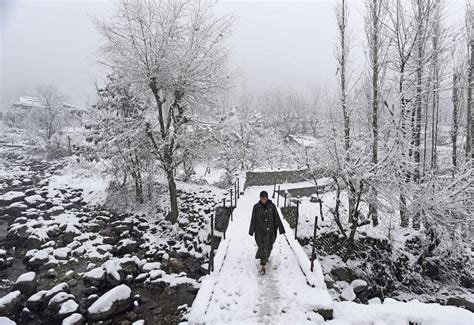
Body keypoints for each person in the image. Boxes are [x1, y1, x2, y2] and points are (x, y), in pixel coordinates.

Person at [248, 190, 286, 275]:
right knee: (262, 247)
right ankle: (263, 266)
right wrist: (251, 230)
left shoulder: (272, 206)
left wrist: (280, 228)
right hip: (259, 230)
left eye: (265, 198)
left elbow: (276, 217)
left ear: (267, 198)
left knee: (268, 247)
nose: (263, 200)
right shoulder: (256, 207)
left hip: (270, 231)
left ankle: (265, 257)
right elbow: (253, 218)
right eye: (262, 198)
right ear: (260, 198)